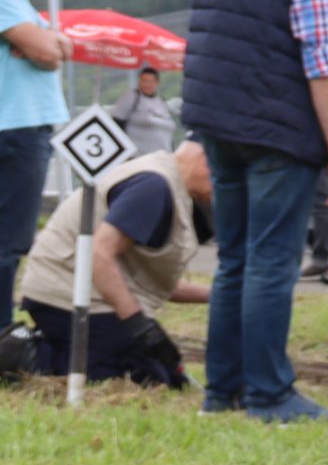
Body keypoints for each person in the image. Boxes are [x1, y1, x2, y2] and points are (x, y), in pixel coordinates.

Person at [180, 0, 328, 424]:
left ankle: (222, 391)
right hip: (277, 123)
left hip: (216, 116)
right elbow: (321, 54)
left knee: (234, 257)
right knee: (272, 261)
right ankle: (270, 395)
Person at [9, 141, 213, 387]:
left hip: (94, 293)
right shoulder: (153, 187)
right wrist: (139, 327)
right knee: (141, 379)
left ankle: (63, 347)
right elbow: (98, 253)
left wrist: (219, 294)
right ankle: (23, 357)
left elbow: (151, 282)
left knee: (171, 375)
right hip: (66, 295)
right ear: (204, 159)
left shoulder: (172, 184)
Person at [0, 0, 67, 327]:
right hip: (14, 128)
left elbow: (54, 45)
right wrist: (44, 43)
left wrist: (43, 41)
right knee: (8, 243)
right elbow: (48, 51)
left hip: (20, 127)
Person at [109, 66, 179, 156]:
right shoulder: (132, 97)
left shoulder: (161, 101)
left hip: (163, 155)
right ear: (139, 81)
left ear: (157, 83)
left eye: (151, 81)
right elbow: (116, 123)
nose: (147, 84)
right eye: (144, 81)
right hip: (139, 156)